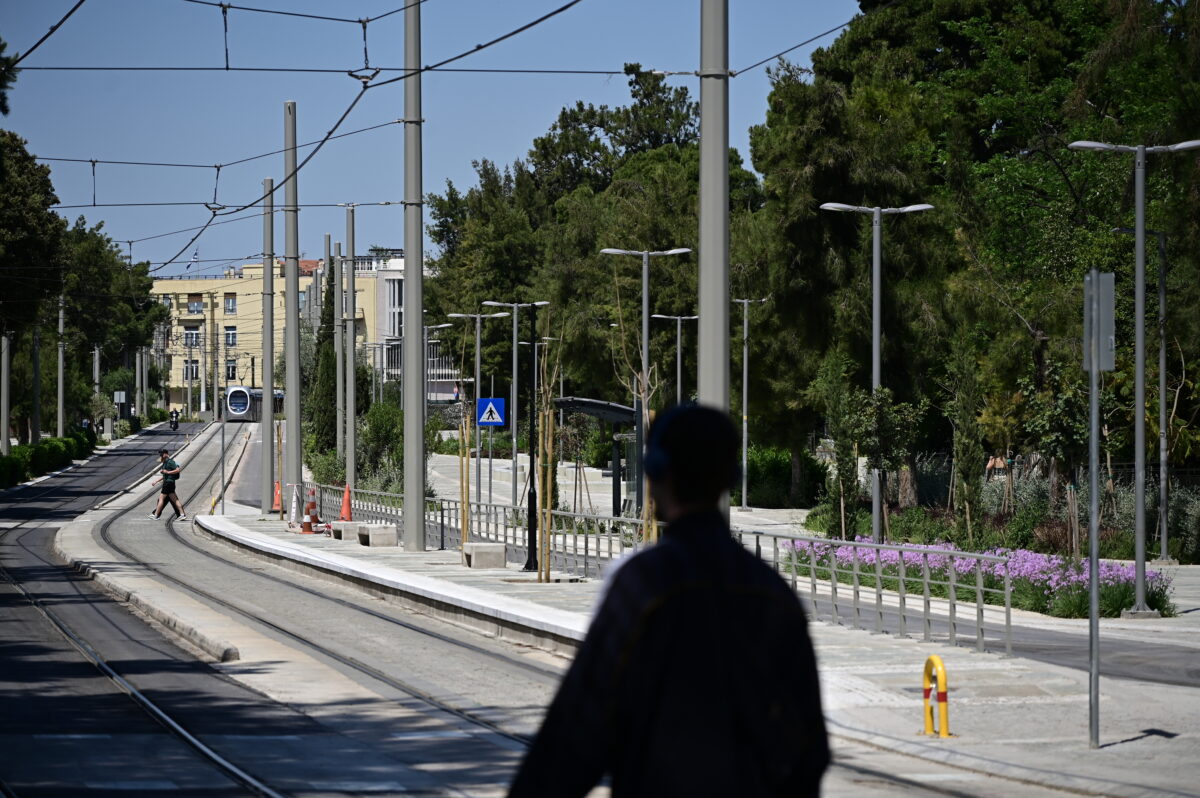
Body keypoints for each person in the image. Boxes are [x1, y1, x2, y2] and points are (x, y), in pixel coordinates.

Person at [509, 404, 828, 798]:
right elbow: (808, 748)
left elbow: (575, 735)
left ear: (658, 472)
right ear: (730, 478)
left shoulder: (644, 586)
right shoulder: (775, 594)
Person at [149, 448, 188, 521]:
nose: (161, 455)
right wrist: (156, 481)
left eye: (162, 454)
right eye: (160, 454)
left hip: (168, 483)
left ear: (166, 454)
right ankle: (182, 514)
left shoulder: (170, 462)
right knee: (175, 500)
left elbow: (178, 470)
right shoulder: (165, 462)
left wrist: (167, 472)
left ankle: (156, 515)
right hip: (169, 483)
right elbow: (165, 475)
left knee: (161, 499)